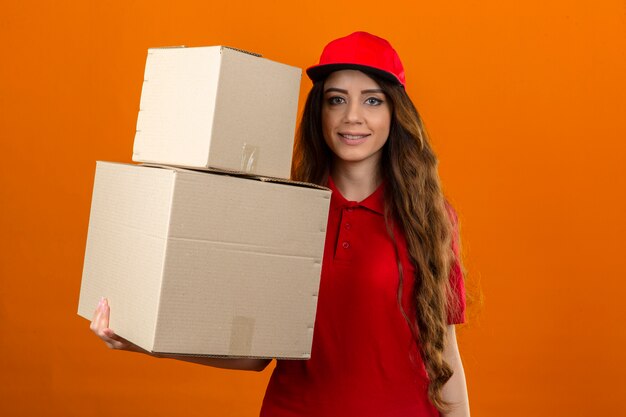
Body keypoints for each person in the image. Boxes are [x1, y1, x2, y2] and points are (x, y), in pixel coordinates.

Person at [91, 31, 470, 417]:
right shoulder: (281, 213)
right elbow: (253, 355)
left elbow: (445, 353)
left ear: (395, 112)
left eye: (372, 100)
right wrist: (143, 340)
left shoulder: (429, 218)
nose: (352, 116)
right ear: (318, 113)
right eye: (335, 99)